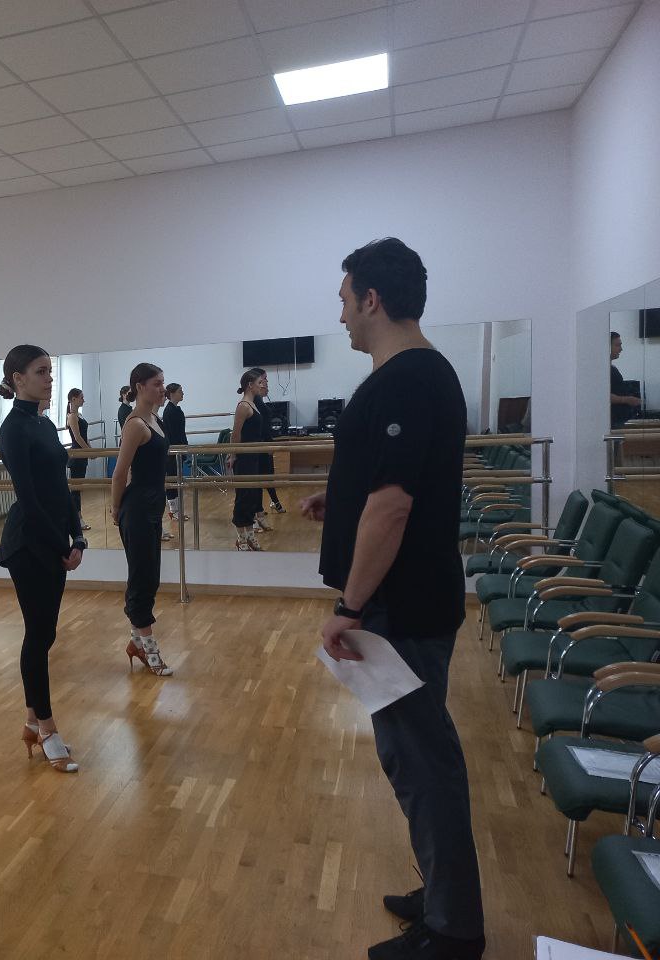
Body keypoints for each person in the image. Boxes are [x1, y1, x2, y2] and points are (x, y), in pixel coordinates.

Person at [304, 238, 484, 960]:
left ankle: (454, 931)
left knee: (422, 764)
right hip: (409, 601)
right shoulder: (416, 373)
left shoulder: (408, 379)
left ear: (372, 299)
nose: (341, 315)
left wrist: (348, 607)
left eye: (344, 301)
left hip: (399, 609)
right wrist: (342, 502)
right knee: (413, 759)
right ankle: (440, 895)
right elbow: (386, 487)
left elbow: (395, 505)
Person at [0, 345, 86, 773]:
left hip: (52, 541)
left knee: (45, 634)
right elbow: (29, 498)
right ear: (18, 378)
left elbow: (60, 485)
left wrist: (78, 536)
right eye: (41, 371)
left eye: (50, 371)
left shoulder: (45, 422)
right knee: (37, 635)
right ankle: (48, 728)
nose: (50, 378)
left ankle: (32, 722)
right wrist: (61, 544)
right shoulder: (13, 428)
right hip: (29, 545)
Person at [110, 363, 174, 677]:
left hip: (152, 506)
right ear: (139, 387)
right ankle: (150, 650)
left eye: (163, 383)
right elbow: (120, 473)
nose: (162, 389)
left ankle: (136, 644)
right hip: (136, 508)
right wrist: (115, 509)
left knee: (150, 577)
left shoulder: (155, 419)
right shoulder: (135, 424)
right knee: (141, 578)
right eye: (157, 384)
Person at [231, 369, 273, 550]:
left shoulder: (253, 404)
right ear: (250, 385)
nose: (263, 385)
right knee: (244, 497)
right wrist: (233, 455)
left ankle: (250, 536)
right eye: (259, 382)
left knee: (252, 497)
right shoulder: (243, 406)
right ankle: (241, 539)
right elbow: (235, 434)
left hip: (254, 457)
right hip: (244, 458)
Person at [251, 383, 287, 514]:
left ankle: (270, 504)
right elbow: (263, 429)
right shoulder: (256, 404)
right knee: (264, 477)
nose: (267, 388)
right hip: (262, 445)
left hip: (264, 444)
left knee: (266, 477)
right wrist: (269, 444)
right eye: (265, 385)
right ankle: (263, 507)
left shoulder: (259, 403)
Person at [65, 388, 93, 531]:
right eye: (81, 397)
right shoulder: (72, 416)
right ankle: (78, 519)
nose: (83, 400)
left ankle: (75, 518)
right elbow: (77, 437)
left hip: (82, 454)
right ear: (73, 399)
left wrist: (91, 450)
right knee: (75, 490)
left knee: (78, 488)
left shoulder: (79, 415)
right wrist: (88, 451)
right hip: (77, 455)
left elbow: (85, 436)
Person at [161, 382, 189, 523]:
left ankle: (177, 510)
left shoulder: (176, 409)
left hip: (178, 449)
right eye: (180, 391)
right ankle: (174, 510)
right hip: (172, 452)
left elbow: (180, 432)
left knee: (177, 479)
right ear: (172, 394)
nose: (182, 393)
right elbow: (172, 434)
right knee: (172, 480)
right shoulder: (170, 411)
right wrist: (177, 450)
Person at [610, 331, 642, 427]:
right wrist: (627, 399)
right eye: (617, 345)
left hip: (620, 419)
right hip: (614, 421)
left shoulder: (612, 368)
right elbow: (603, 396)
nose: (621, 349)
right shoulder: (602, 370)